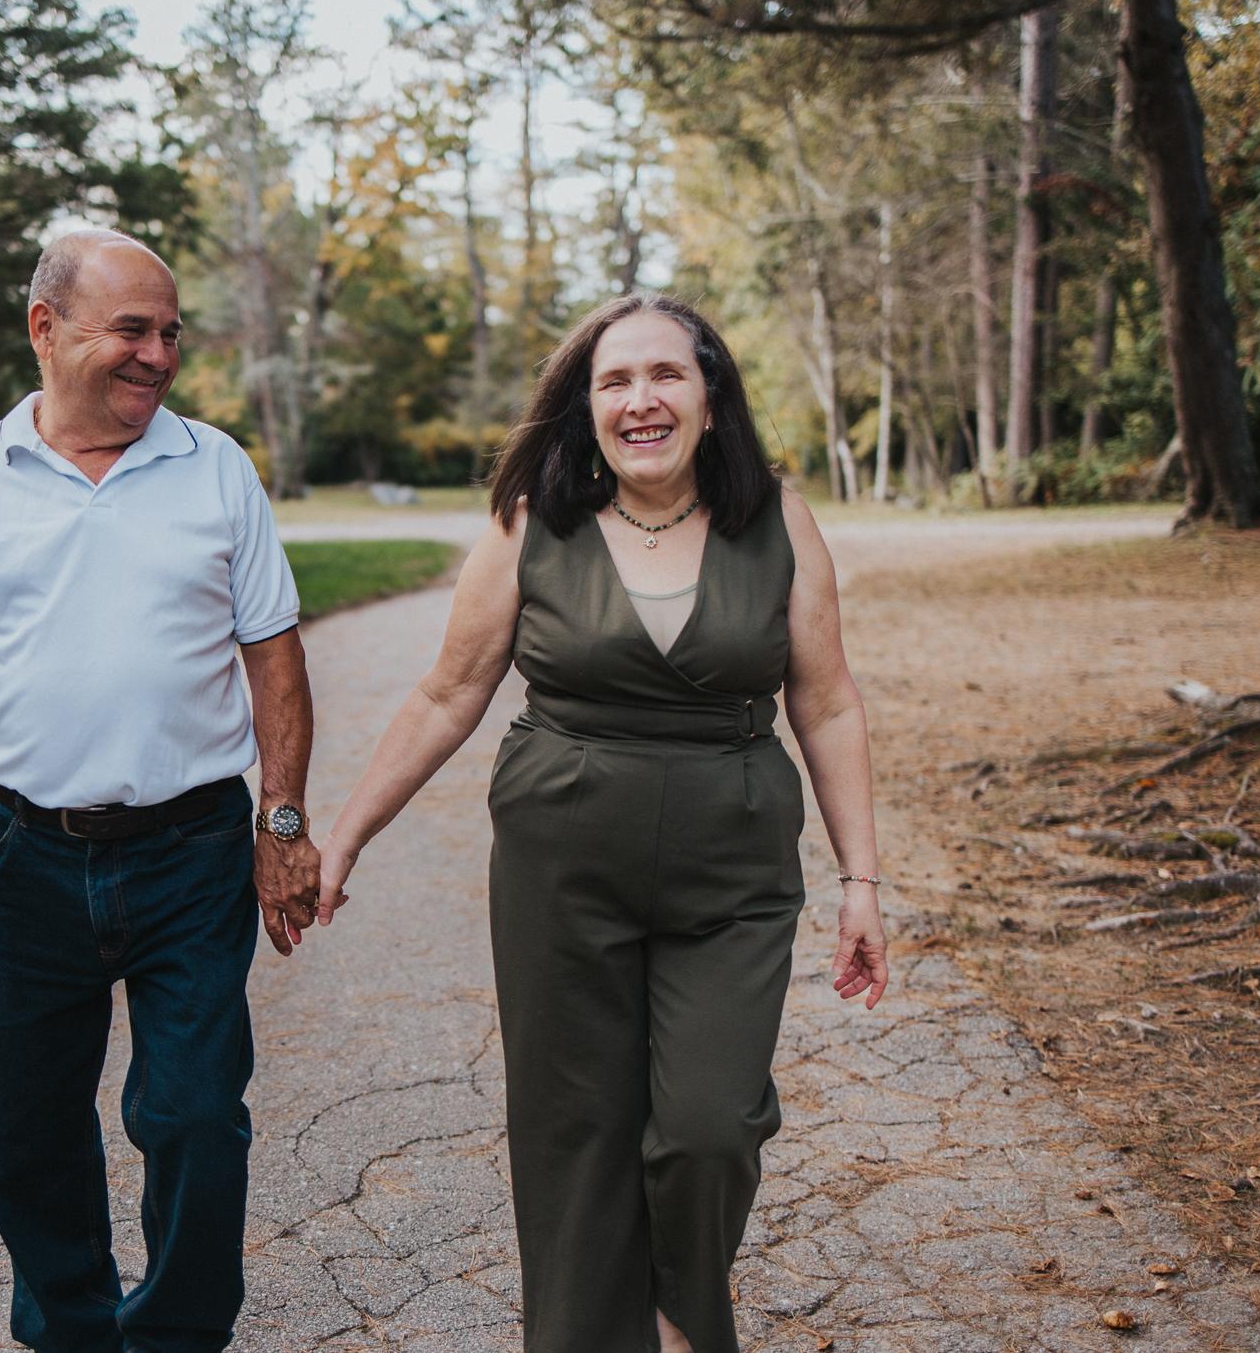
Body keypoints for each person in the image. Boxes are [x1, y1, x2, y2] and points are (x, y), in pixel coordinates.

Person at [316, 294, 888, 1353]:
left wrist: (860, 881)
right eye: (613, 381)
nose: (640, 399)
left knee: (708, 1130)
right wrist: (345, 835)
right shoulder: (531, 523)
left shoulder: (776, 517)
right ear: (583, 409)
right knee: (573, 1132)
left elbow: (828, 699)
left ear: (709, 397)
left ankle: (679, 1318)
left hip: (732, 868)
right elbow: (447, 694)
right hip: (559, 870)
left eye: (664, 375)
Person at [0, 227, 324, 1353]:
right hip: (19, 854)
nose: (157, 355)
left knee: (196, 1115)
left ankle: (170, 1337)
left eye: (169, 333)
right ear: (45, 328)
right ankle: (72, 1332)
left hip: (191, 850)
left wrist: (284, 822)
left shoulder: (213, 467)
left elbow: (274, 653)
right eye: (131, 330)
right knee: (23, 1135)